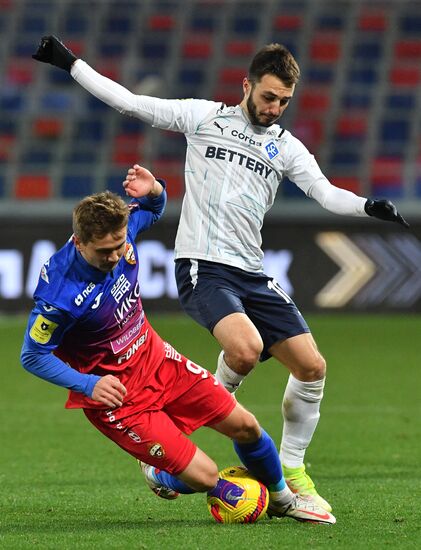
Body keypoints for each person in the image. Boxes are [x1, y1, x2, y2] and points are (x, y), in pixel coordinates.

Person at [31, 36, 409, 513]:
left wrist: (366, 205)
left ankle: (293, 471)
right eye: (268, 96)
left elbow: (326, 193)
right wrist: (70, 63)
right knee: (245, 349)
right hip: (202, 266)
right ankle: (197, 420)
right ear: (247, 85)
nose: (274, 108)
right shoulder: (204, 117)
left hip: (253, 270)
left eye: (284, 101)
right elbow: (128, 102)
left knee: (312, 367)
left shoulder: (287, 148)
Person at [20, 164, 335, 524]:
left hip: (158, 361)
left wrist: (154, 189)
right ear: (79, 242)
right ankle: (159, 474)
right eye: (103, 252)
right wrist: (89, 384)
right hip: (119, 397)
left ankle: (282, 499)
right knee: (205, 476)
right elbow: (32, 356)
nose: (114, 257)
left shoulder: (125, 232)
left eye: (119, 246)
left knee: (246, 426)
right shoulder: (58, 296)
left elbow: (154, 209)